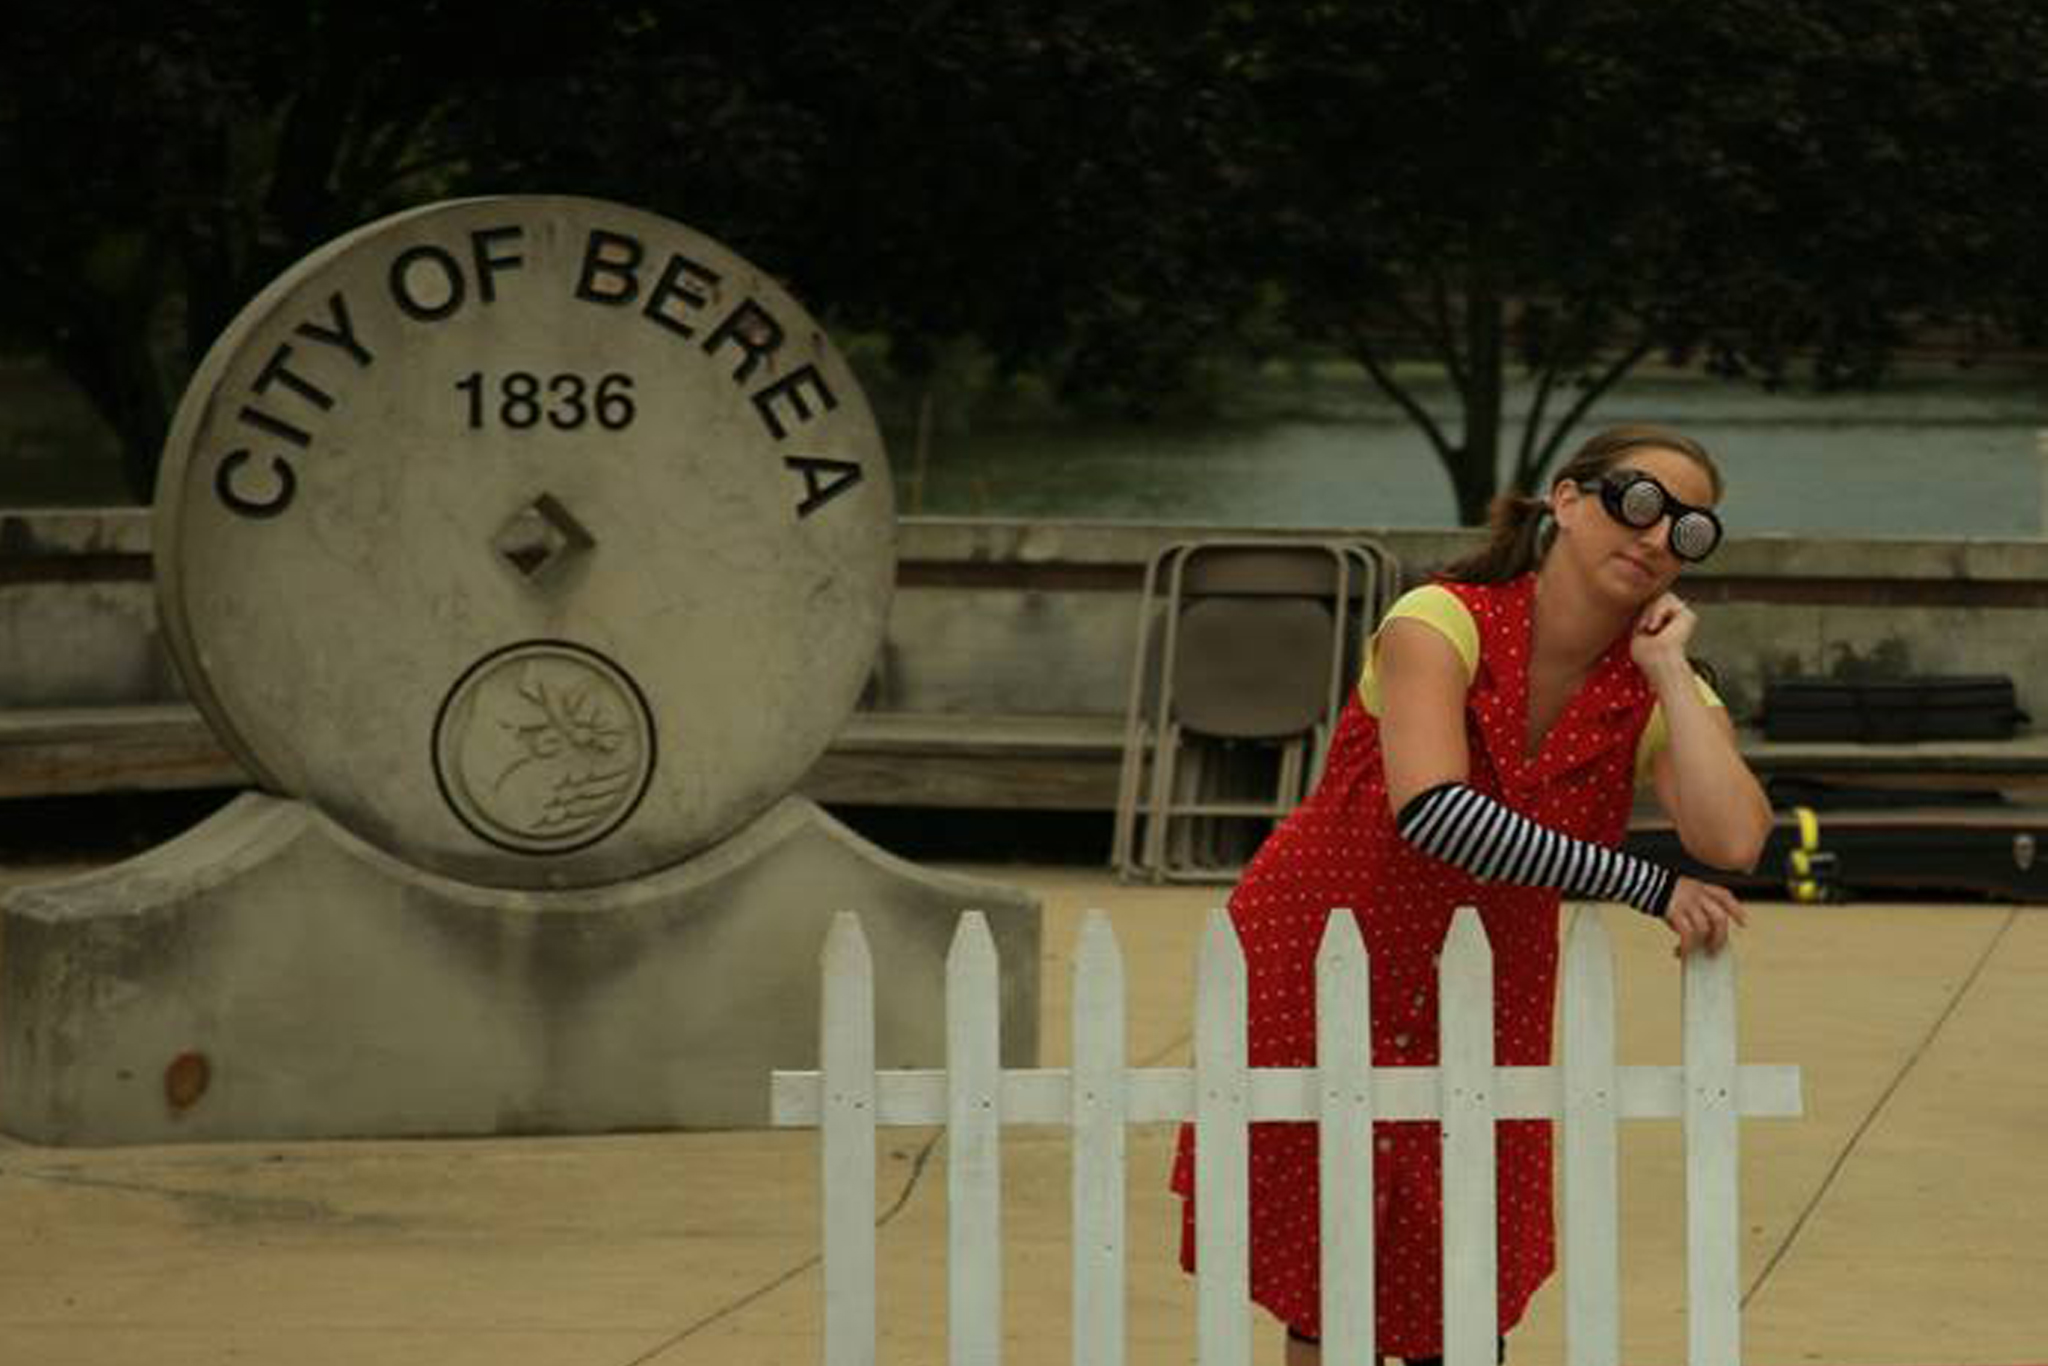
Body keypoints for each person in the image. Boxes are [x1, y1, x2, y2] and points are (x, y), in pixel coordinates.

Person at [1169, 424, 1773, 1364]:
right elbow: (1439, 814)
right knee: (1332, 1282)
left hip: (1484, 983)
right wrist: (1645, 884)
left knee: (1465, 1273)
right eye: (1638, 502)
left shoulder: (1649, 682)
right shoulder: (1439, 621)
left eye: (1689, 530)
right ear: (1567, 501)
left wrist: (1666, 674)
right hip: (1328, 953)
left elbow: (1734, 835)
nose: (1656, 537)